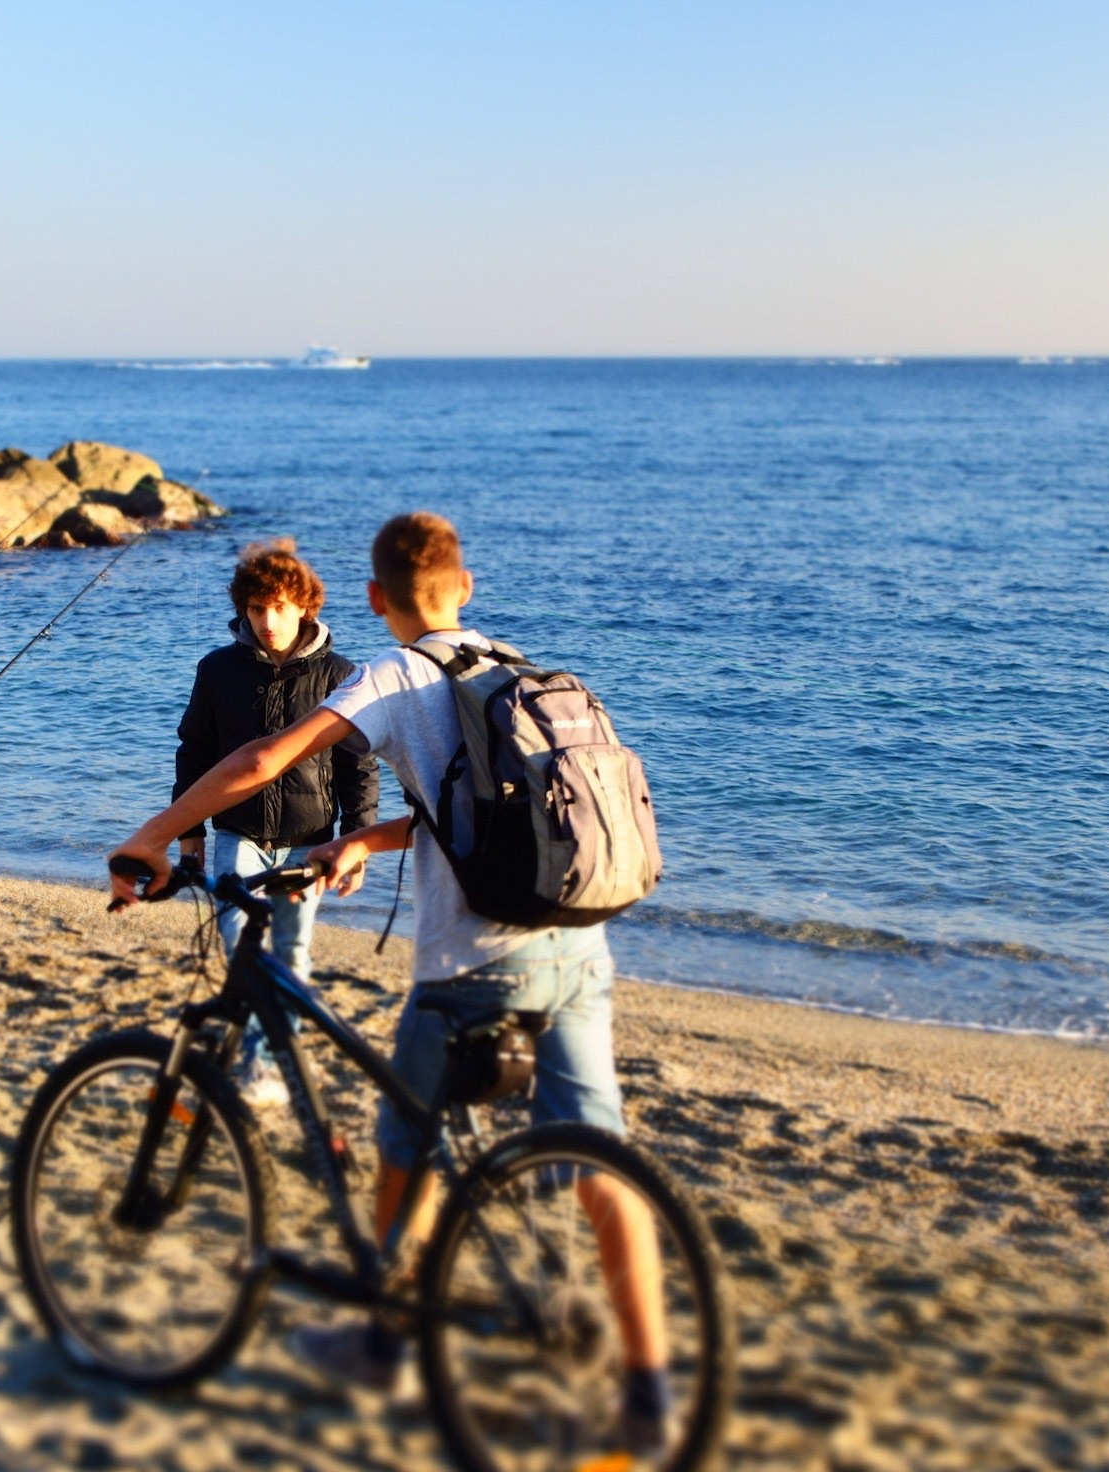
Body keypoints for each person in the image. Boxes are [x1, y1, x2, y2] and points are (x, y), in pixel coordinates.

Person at [109, 512, 672, 1449]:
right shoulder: (519, 669)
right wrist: (356, 841)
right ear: (468, 585)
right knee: (595, 1161)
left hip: (472, 968)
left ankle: (382, 1339)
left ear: (374, 601)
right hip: (577, 949)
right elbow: (477, 813)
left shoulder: (400, 674)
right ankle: (650, 1389)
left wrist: (153, 836)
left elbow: (259, 761)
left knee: (400, 1143)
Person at [173, 539, 379, 1104]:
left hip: (307, 842)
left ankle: (266, 1063)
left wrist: (356, 839)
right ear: (244, 609)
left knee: (291, 951)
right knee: (237, 938)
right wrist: (188, 831)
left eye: (281, 608)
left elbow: (358, 765)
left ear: (305, 607)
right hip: (236, 832)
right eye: (258, 609)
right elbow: (194, 750)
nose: (268, 621)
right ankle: (254, 1054)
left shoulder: (341, 675)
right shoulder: (216, 669)